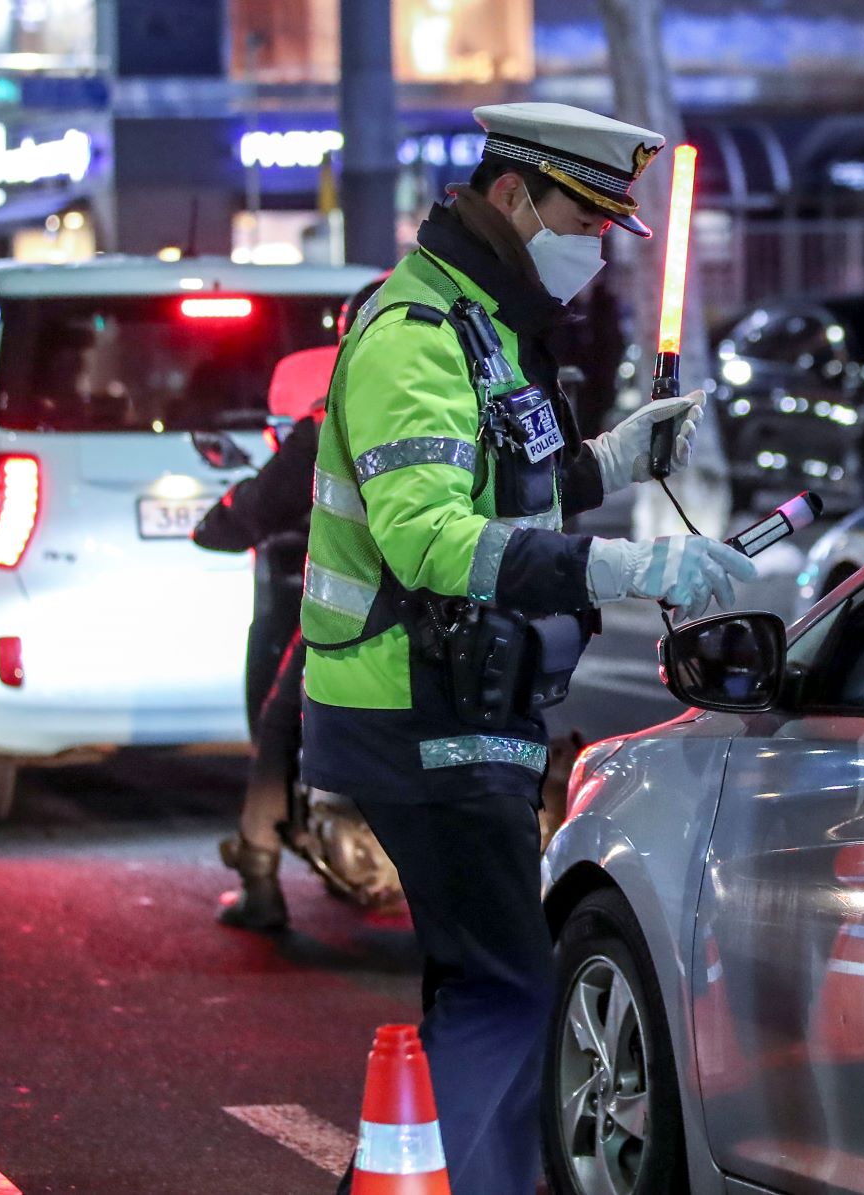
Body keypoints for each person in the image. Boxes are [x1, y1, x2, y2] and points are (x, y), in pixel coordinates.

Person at [301, 102, 756, 1194]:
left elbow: (508, 481)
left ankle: (420, 1177)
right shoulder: (412, 334)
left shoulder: (482, 328)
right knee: (505, 986)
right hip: (414, 706)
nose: (594, 249)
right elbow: (424, 538)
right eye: (583, 218)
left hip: (463, 704)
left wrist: (610, 460)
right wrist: (626, 569)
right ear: (512, 197)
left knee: (485, 982)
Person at [194, 278, 388, 930]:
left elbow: (260, 503)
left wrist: (216, 523)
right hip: (462, 616)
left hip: (360, 618)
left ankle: (259, 877)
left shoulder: (333, 420)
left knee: (280, 723)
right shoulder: (463, 410)